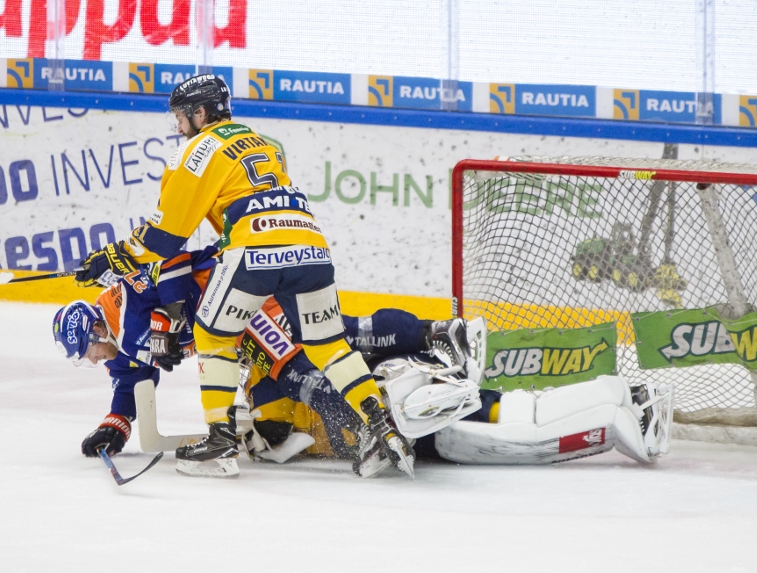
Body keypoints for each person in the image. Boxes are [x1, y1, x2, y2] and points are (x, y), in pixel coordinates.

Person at [70, 74, 413, 478]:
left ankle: (219, 441)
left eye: (181, 117)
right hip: (311, 245)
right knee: (329, 345)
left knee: (213, 334)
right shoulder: (258, 140)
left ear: (200, 113)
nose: (178, 127)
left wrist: (113, 255)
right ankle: (382, 428)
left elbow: (166, 237)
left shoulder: (197, 150)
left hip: (256, 249)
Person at [54, 263, 473, 476]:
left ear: (94, 327)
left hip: (242, 301)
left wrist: (165, 323)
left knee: (307, 358)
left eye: (85, 350)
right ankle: (403, 365)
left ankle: (425, 343)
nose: (91, 359)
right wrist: (115, 425)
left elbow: (174, 267)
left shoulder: (124, 297)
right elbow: (131, 379)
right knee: (272, 427)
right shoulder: (118, 343)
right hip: (231, 335)